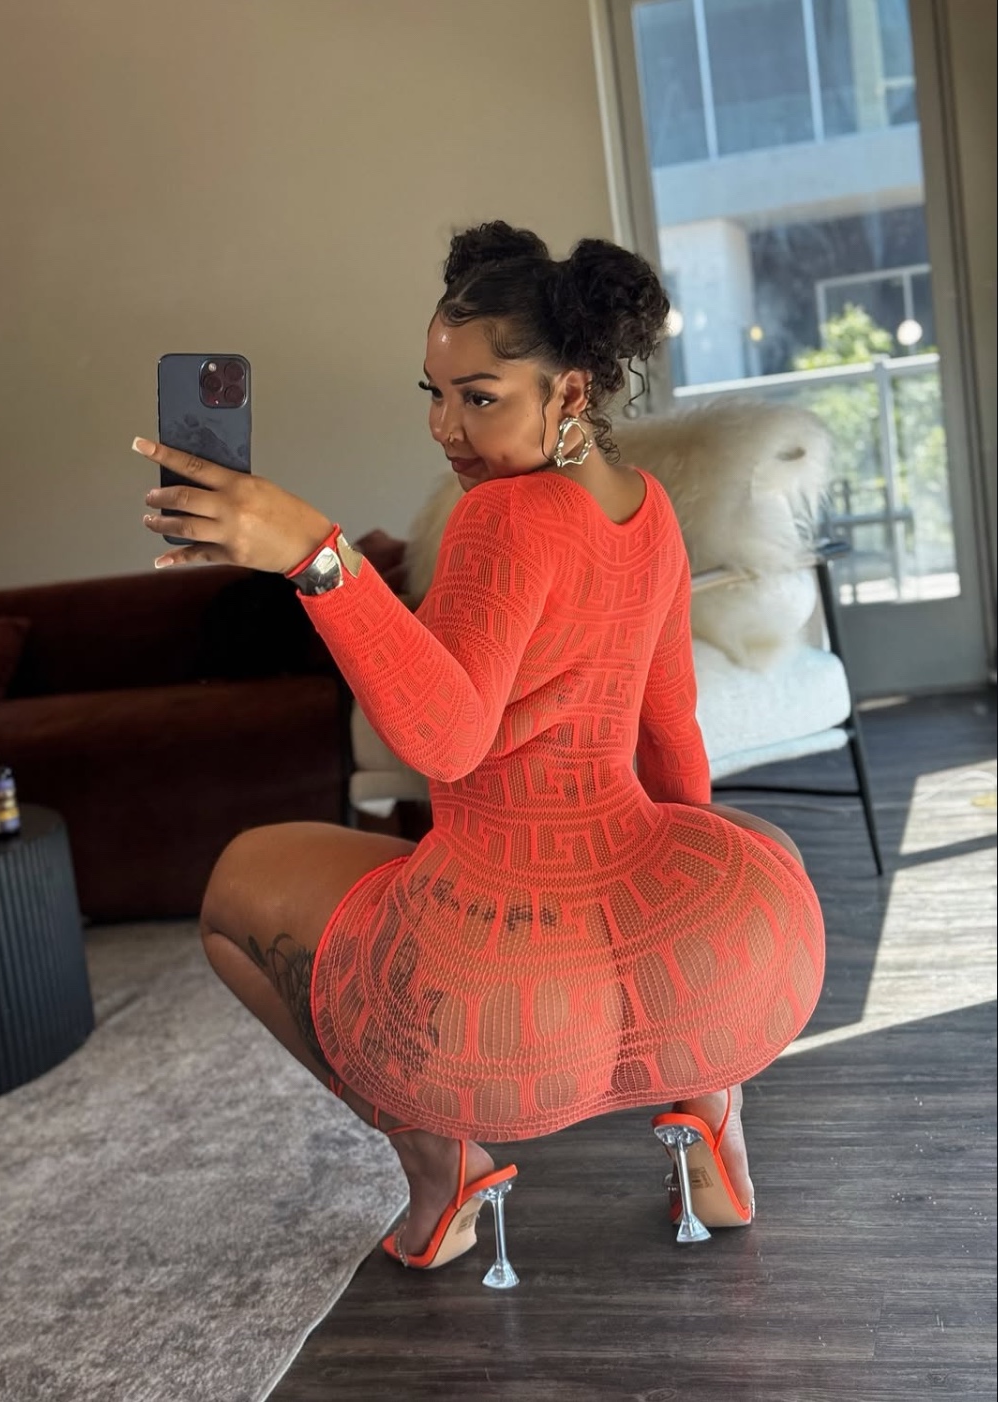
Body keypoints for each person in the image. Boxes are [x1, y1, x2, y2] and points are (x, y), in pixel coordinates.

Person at [133, 221, 825, 1283]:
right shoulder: (647, 512)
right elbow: (670, 731)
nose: (445, 427)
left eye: (479, 396)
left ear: (571, 391)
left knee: (233, 889)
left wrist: (316, 558)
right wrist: (690, 897)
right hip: (644, 934)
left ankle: (440, 1166)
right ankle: (712, 1129)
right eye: (434, 392)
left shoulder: (505, 518)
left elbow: (443, 739)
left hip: (501, 975)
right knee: (713, 871)